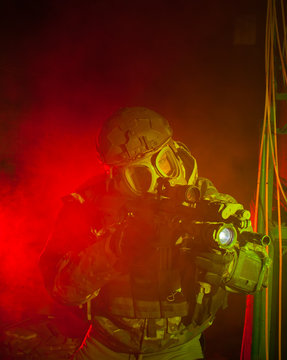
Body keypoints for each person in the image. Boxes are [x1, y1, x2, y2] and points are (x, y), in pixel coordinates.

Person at [39, 107, 270, 360]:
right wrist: (114, 249)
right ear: (117, 176)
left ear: (176, 153)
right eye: (139, 175)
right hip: (106, 346)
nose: (161, 180)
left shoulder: (210, 203)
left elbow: (261, 274)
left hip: (180, 348)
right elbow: (61, 290)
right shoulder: (89, 206)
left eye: (163, 163)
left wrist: (229, 265)